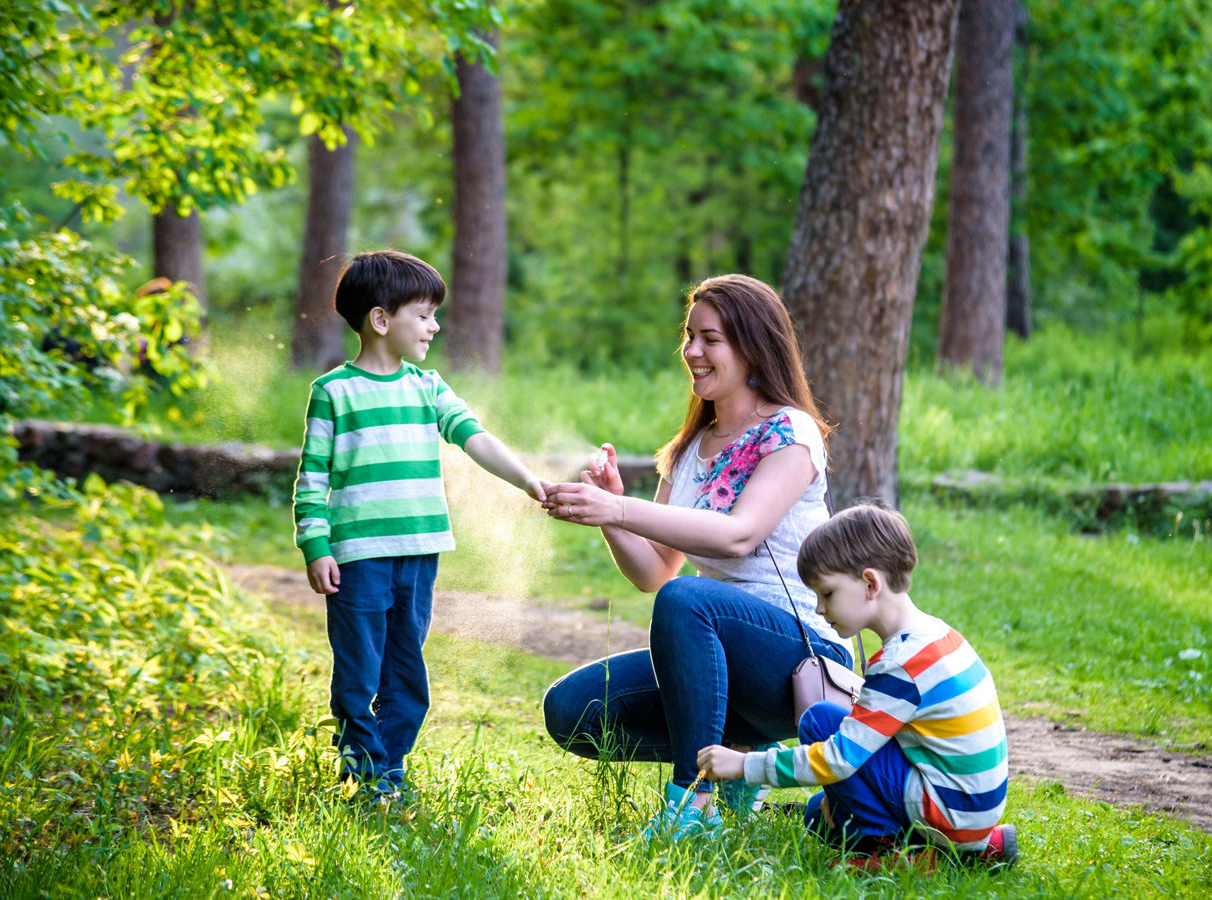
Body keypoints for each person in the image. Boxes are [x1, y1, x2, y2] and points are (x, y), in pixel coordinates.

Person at [538, 273, 852, 839]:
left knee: (690, 601)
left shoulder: (790, 432)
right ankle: (738, 765)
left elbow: (738, 535)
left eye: (710, 339)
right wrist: (609, 511)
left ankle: (693, 804)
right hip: (715, 656)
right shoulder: (687, 451)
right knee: (572, 712)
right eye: (689, 337)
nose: (692, 352)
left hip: (801, 656)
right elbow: (656, 572)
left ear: (753, 346)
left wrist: (620, 510)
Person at [293, 249, 545, 802]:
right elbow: (311, 480)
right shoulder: (333, 392)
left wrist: (527, 480)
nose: (435, 325)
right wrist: (316, 546)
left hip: (419, 554)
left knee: (407, 679)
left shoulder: (427, 387)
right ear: (381, 320)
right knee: (359, 675)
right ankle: (368, 776)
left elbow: (475, 436)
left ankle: (387, 771)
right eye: (425, 314)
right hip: (357, 559)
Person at [697, 504, 1016, 868]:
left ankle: (896, 854)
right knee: (819, 814)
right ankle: (981, 846)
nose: (818, 609)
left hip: (950, 811)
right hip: (973, 808)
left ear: (870, 584)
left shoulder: (901, 664)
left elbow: (838, 760)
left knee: (819, 722)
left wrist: (745, 764)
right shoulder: (937, 634)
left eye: (827, 594)